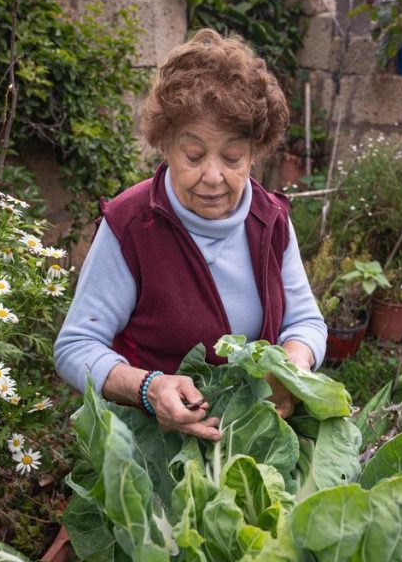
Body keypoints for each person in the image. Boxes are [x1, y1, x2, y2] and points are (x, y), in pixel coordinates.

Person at [54, 29, 327, 442]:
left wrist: (292, 366)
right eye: (194, 155)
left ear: (256, 153)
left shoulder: (270, 221)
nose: (214, 176)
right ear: (165, 143)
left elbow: (305, 322)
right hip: (148, 444)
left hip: (246, 436)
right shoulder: (132, 224)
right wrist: (148, 388)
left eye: (233, 158)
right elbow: (75, 347)